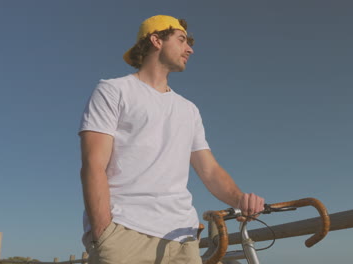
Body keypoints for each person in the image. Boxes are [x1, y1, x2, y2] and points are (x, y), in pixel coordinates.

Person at [79, 15, 265, 264]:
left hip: (183, 239)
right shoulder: (113, 90)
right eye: (181, 40)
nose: (190, 48)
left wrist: (240, 200)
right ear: (156, 40)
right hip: (125, 233)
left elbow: (209, 170)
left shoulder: (189, 109)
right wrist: (103, 233)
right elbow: (93, 165)